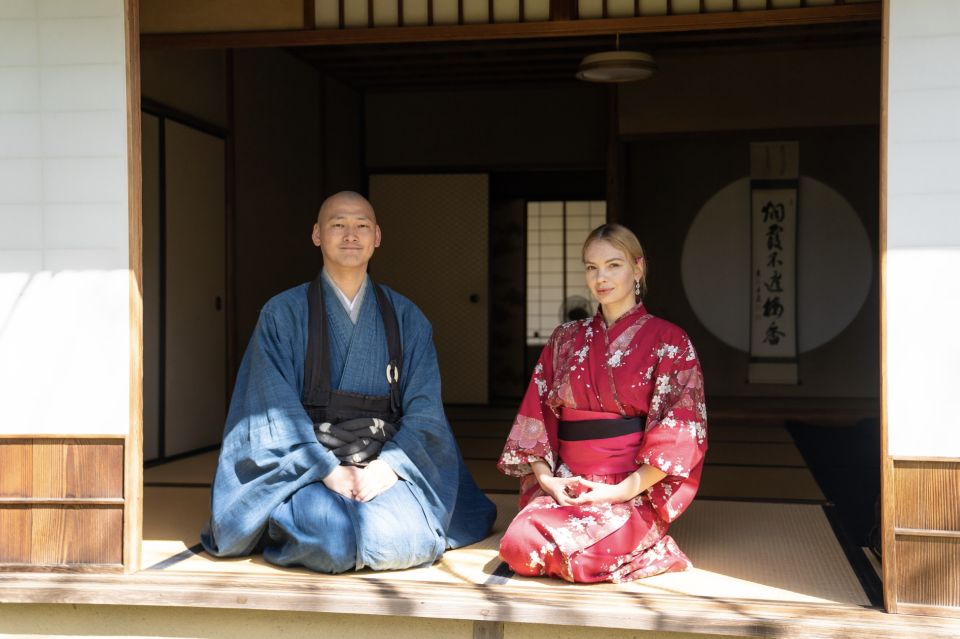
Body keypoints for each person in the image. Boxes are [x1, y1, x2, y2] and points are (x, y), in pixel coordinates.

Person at [201, 191, 496, 573]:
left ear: (377, 237)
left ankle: (300, 524)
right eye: (338, 225)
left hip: (383, 462)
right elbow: (271, 412)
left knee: (403, 539)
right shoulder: (281, 314)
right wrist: (327, 469)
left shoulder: (407, 317)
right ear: (317, 235)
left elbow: (426, 412)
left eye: (361, 226)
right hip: (309, 464)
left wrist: (387, 468)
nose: (350, 235)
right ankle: (291, 514)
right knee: (332, 537)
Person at [497, 223, 707, 583]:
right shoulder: (566, 338)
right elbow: (536, 414)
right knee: (519, 547)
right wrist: (549, 482)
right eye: (591, 267)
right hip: (568, 482)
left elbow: (680, 431)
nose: (601, 277)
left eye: (614, 265)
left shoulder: (670, 341)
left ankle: (649, 546)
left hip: (631, 487)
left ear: (638, 268)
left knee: (575, 555)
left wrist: (620, 491)